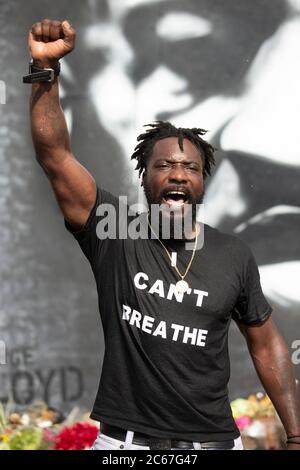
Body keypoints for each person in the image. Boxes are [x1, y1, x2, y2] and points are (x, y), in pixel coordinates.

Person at [27, 19, 300, 450]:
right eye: (164, 166)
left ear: (203, 182)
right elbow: (55, 156)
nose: (178, 175)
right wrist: (45, 70)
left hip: (212, 445)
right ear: (145, 177)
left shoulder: (233, 253)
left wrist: (297, 435)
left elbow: (267, 347)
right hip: (126, 446)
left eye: (190, 167)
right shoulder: (115, 229)